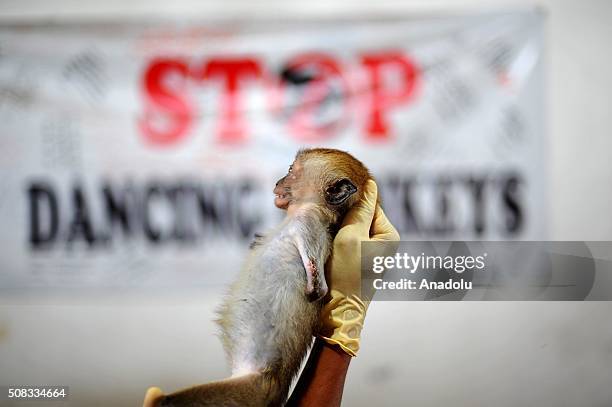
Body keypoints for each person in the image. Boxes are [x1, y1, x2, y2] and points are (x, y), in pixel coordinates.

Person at [143, 180, 400, 407]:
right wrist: (342, 325)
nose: (284, 183)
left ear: (333, 192)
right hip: (258, 360)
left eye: (298, 174)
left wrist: (339, 322)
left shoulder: (308, 224)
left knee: (259, 388)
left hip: (260, 364)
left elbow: (314, 281)